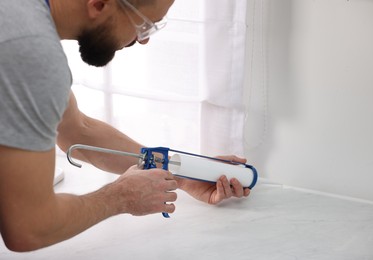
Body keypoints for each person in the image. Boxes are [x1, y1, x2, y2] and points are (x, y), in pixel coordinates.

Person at [0, 0, 251, 252]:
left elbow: (77, 130)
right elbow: (30, 227)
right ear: (99, 5)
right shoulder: (30, 51)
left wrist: (180, 173)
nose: (143, 41)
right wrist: (120, 197)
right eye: (143, 26)